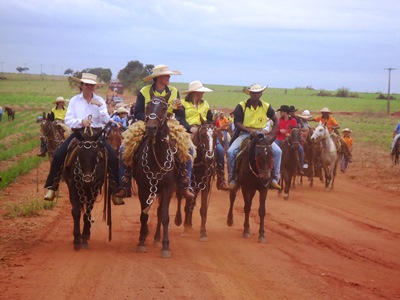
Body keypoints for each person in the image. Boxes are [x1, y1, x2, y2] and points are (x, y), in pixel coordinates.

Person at [43, 73, 125, 205]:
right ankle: (52, 186)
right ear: (81, 85)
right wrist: (81, 121)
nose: (89, 87)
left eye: (91, 85)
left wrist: (100, 107)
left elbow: (105, 120)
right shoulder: (75, 100)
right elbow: (68, 120)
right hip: (79, 134)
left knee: (113, 158)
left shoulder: (100, 101)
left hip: (97, 134)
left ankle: (115, 190)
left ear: (94, 87)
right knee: (59, 154)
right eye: (86, 84)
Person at [133, 64, 195, 200]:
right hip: (146, 123)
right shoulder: (144, 91)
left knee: (188, 149)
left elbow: (180, 114)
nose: (169, 77)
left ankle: (185, 183)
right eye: (166, 75)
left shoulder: (173, 91)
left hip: (170, 124)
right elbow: (137, 111)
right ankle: (125, 183)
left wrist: (179, 110)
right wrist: (150, 120)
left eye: (169, 75)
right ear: (158, 78)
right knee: (124, 148)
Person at [175, 80, 229, 191]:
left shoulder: (205, 104)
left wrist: (209, 127)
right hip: (188, 131)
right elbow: (180, 119)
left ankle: (221, 178)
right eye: (201, 91)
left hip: (204, 131)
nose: (203, 93)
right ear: (194, 92)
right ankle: (180, 176)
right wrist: (191, 128)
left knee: (219, 150)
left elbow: (209, 119)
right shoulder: (183, 104)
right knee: (181, 150)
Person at [227, 83, 282, 190]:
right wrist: (249, 131)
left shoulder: (266, 106)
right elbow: (237, 123)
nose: (256, 95)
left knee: (278, 151)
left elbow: (276, 120)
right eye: (254, 93)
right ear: (250, 93)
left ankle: (274, 179)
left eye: (258, 93)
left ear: (261, 94)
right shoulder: (241, 105)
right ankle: (232, 179)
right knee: (231, 152)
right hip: (244, 134)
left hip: (261, 135)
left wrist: (272, 133)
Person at [275, 105, 306, 174]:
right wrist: (279, 130)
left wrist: (289, 134)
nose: (280, 113)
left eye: (282, 111)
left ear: (286, 112)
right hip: (279, 138)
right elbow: (275, 129)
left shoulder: (293, 121)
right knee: (274, 149)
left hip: (291, 139)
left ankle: (301, 166)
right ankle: (273, 166)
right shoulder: (278, 120)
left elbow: (295, 130)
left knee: (300, 150)